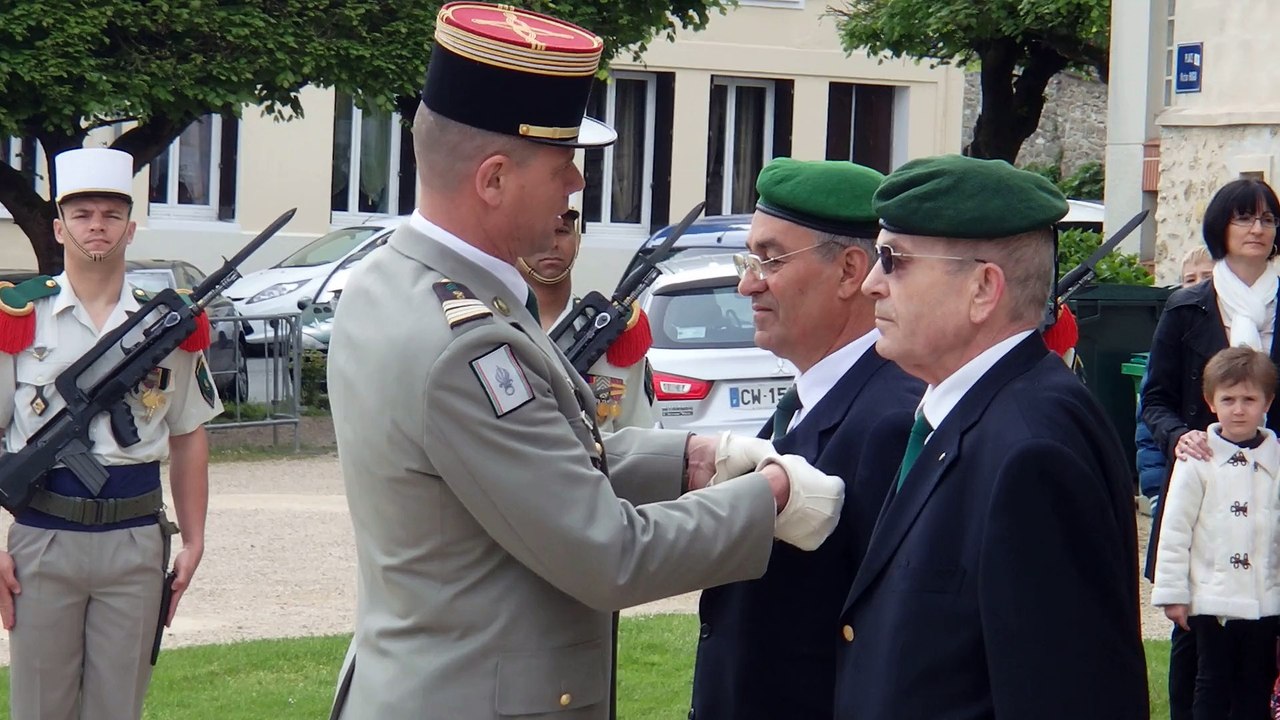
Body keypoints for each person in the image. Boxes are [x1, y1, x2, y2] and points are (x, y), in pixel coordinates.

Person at [324, 4, 845, 719]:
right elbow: (609, 553)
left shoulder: (394, 281)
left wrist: (687, 458)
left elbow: (524, 461)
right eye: (561, 164)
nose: (575, 184)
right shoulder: (465, 346)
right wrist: (770, 498)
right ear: (494, 179)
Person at [832, 154, 1149, 719]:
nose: (871, 285)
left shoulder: (1033, 450)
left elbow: (1065, 694)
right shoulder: (966, 414)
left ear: (983, 288)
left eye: (893, 260)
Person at [687, 158, 923, 720]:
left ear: (848, 272)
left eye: (769, 260)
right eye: (749, 260)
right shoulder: (812, 400)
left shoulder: (891, 420)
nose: (747, 283)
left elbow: (880, 636)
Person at [0, 147, 221, 719]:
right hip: (43, 540)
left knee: (118, 710)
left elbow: (188, 432)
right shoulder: (23, 315)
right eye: (81, 214)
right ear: (58, 226)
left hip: (135, 542)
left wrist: (194, 539)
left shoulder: (165, 325)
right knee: (40, 709)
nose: (96, 225)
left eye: (110, 214)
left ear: (130, 227)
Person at [1143, 177, 1280, 720]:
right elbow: (1154, 400)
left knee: (1261, 662)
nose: (1257, 228)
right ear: (1220, 227)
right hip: (1202, 494)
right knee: (1194, 655)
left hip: (1270, 495)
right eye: (1245, 217)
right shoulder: (1187, 307)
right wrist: (1182, 438)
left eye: (1268, 219)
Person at [1153, 345, 1280, 720]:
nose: (1238, 409)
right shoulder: (1197, 460)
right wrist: (1174, 593)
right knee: (1211, 681)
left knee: (1256, 683)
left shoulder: (1275, 460)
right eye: (1228, 399)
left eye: (1249, 399)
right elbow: (1175, 530)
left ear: (1267, 403)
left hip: (1265, 600)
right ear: (1211, 402)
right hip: (1212, 598)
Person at [518, 208, 654, 432]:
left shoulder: (614, 333)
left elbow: (641, 434)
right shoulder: (490, 326)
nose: (552, 243)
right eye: (539, 230)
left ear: (578, 241)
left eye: (562, 231)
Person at [1137, 247, 1215, 515]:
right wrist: (1155, 487)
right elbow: (1150, 417)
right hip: (1177, 472)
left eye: (1207, 275)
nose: (1199, 284)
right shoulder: (1174, 332)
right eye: (1190, 279)